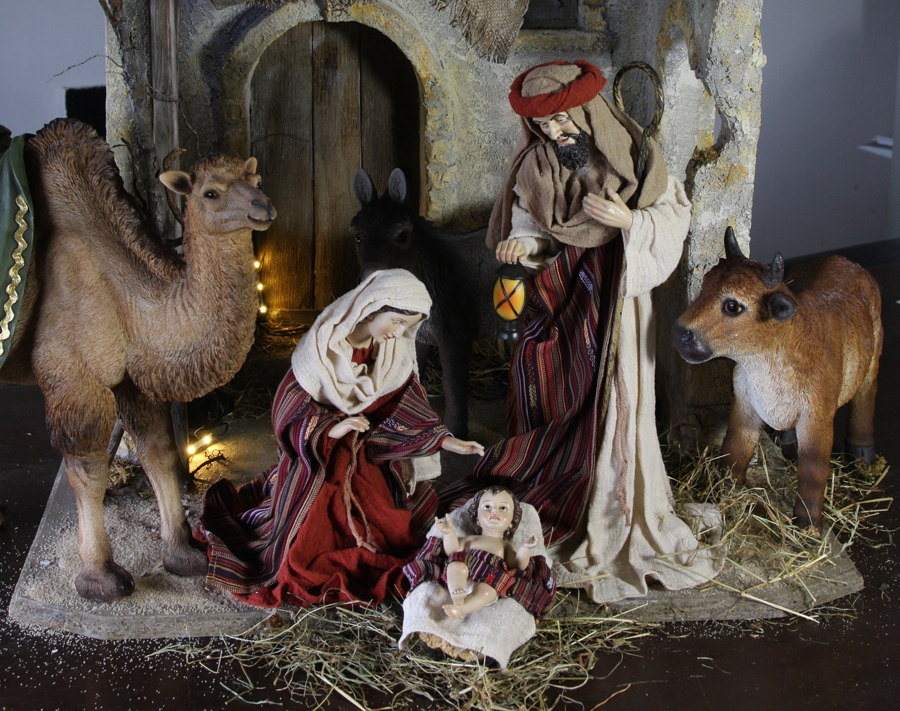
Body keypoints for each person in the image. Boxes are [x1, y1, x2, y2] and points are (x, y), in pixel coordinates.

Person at [452, 59, 722, 603]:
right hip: (563, 291)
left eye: (561, 120)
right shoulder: (535, 165)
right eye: (543, 125)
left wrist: (631, 222)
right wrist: (525, 243)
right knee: (547, 375)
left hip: (619, 290)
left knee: (614, 393)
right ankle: (561, 477)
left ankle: (611, 497)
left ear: (588, 112)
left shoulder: (635, 154)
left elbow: (673, 215)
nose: (555, 132)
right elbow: (534, 225)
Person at [200, 268, 484, 608]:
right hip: (320, 457)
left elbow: (404, 399)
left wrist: (445, 440)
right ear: (373, 307)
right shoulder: (324, 348)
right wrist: (332, 428)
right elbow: (290, 403)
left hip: (363, 455)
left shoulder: (392, 352)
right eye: (395, 322)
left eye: (407, 327)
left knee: (390, 526)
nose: (398, 334)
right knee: (313, 529)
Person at [404, 486, 555, 620]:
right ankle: (456, 590)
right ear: (477, 519)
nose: (494, 511)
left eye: (503, 508)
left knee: (488, 593)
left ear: (511, 522)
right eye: (487, 506)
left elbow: (518, 565)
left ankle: (461, 609)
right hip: (464, 573)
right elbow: (452, 551)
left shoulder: (505, 546)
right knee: (455, 565)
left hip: (489, 578)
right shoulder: (471, 539)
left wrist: (526, 548)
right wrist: (449, 533)